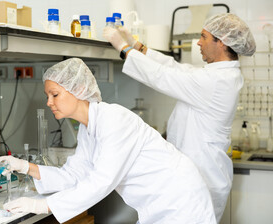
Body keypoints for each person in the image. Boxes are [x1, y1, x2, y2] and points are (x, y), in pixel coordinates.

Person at [0, 58, 216, 224]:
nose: (49, 102)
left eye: (55, 94)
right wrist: (25, 167)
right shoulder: (88, 127)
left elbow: (101, 181)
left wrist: (43, 205)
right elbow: (75, 175)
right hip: (158, 204)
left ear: (78, 90)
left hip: (179, 202)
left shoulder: (114, 119)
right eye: (47, 96)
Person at [103, 13, 256, 222]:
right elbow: (177, 69)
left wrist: (124, 48)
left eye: (203, 37)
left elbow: (164, 76)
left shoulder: (217, 81)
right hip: (196, 178)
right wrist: (138, 47)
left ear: (222, 42)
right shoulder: (217, 75)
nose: (198, 43)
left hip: (203, 179)